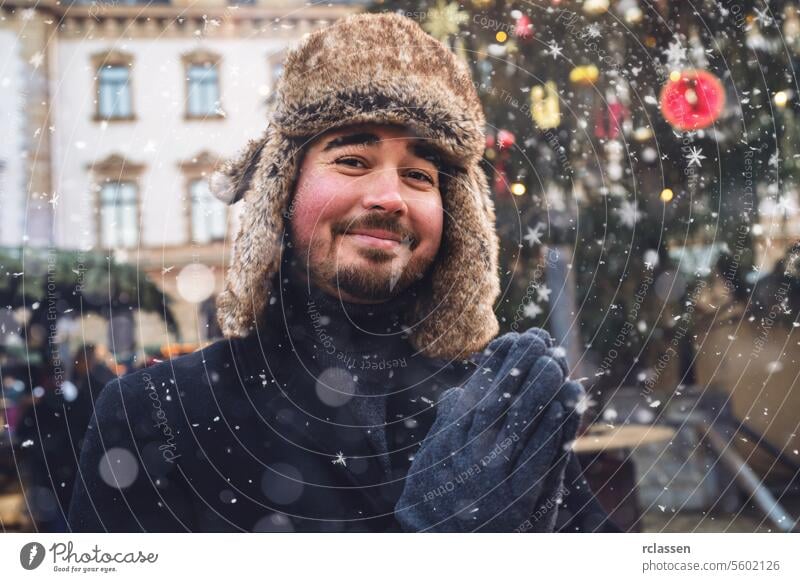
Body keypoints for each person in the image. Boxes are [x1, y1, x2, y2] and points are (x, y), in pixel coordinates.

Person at [68, 13, 617, 532]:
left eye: (419, 175)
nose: (389, 197)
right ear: (282, 193)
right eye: (353, 160)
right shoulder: (160, 411)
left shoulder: (492, 409)